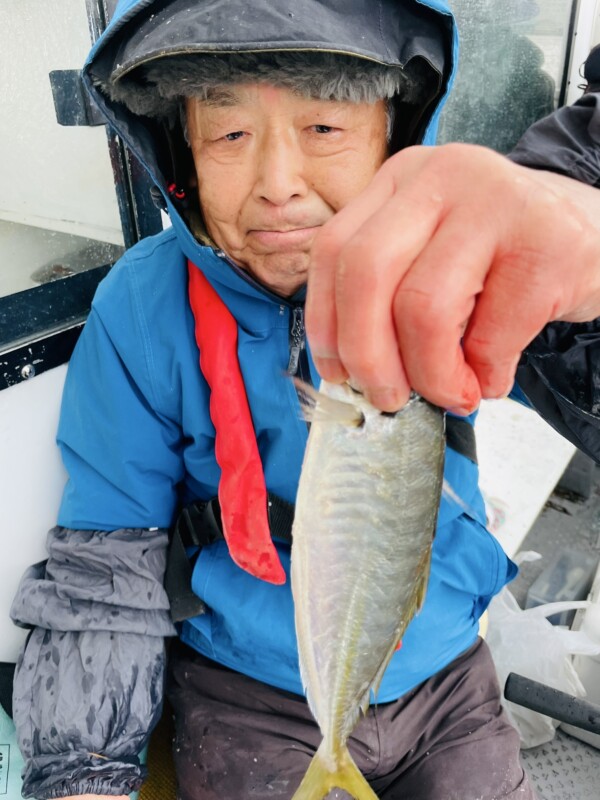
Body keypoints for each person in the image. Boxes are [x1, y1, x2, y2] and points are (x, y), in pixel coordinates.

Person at [8, 2, 600, 799]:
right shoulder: (143, 307)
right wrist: (82, 771)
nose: (278, 186)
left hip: (447, 674)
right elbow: (105, 564)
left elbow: (577, 387)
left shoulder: (449, 276)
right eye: (229, 135)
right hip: (245, 690)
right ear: (181, 150)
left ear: (393, 139)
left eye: (325, 129)